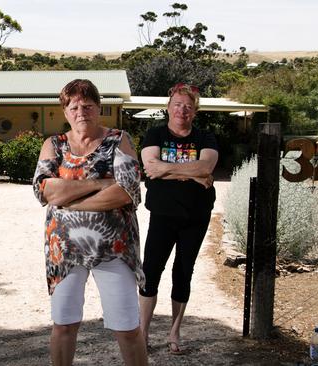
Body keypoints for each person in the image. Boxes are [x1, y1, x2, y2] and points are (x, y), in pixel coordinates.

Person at [32, 79, 148, 366]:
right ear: (65, 110)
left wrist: (68, 201)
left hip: (114, 249)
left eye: (87, 105)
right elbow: (44, 190)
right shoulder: (54, 144)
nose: (80, 111)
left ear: (99, 108)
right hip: (65, 252)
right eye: (73, 106)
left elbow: (126, 192)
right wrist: (100, 182)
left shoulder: (119, 140)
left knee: (127, 328)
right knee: (64, 324)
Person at [138, 83, 218, 355]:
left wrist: (167, 169)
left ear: (195, 111)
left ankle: (174, 332)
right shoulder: (155, 134)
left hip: (196, 216)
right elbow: (150, 170)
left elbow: (206, 166)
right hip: (163, 214)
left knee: (183, 272)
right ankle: (143, 332)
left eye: (188, 106)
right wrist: (193, 175)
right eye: (177, 104)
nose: (182, 110)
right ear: (168, 108)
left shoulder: (205, 137)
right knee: (150, 272)